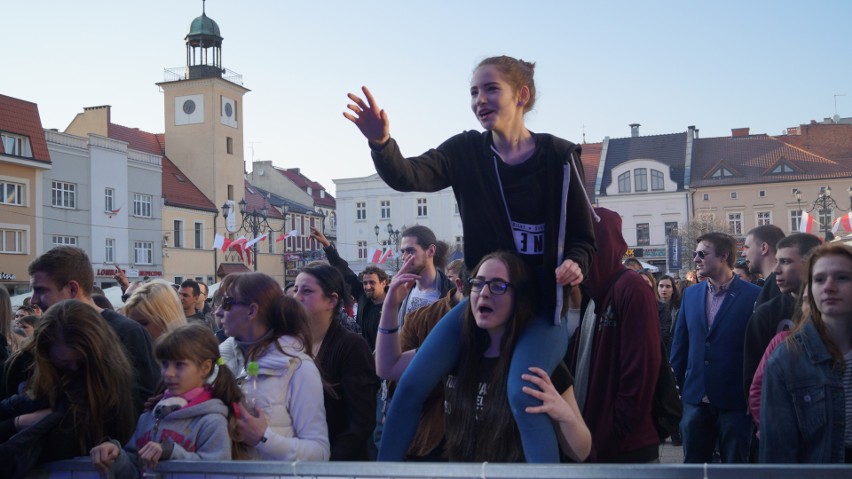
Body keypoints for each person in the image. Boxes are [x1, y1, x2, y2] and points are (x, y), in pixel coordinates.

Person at [345, 54, 595, 463]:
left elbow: (585, 237)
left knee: (522, 394)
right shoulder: (465, 151)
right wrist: (381, 143)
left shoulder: (559, 157)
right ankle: (386, 474)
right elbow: (409, 175)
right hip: (482, 303)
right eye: (474, 92)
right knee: (410, 387)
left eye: (491, 88)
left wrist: (576, 263)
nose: (479, 99)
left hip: (538, 311)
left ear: (523, 95)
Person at [0, 300, 136, 476]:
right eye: (63, 363)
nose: (72, 369)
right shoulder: (22, 365)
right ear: (44, 353)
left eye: (80, 362)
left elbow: (123, 436)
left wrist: (111, 446)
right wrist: (20, 422)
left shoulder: (111, 381)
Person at [568, 207, 661, 462]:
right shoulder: (595, 294)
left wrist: (616, 429)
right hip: (601, 443)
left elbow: (641, 367)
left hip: (625, 448)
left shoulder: (630, 288)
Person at [90, 323, 243, 475]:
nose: (168, 373)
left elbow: (217, 472)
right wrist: (115, 456)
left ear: (205, 368)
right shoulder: (148, 417)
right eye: (164, 364)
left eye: (179, 365)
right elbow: (134, 469)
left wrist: (173, 452)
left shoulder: (211, 421)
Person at [25, 246, 159, 415]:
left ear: (72, 289)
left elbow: (139, 404)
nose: (33, 300)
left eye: (41, 290)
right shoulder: (47, 332)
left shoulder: (127, 332)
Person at [217, 272, 330, 461]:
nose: (219, 311)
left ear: (251, 311)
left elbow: (319, 452)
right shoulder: (215, 360)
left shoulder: (297, 366)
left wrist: (264, 438)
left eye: (227, 303)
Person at [670, 232, 761, 463]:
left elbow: (758, 351)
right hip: (695, 399)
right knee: (693, 465)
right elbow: (680, 346)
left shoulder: (754, 296)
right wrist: (677, 392)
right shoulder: (690, 294)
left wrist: (754, 398)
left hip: (735, 401)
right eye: (694, 254)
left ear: (723, 256)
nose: (696, 259)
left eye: (702, 253)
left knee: (735, 466)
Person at [760, 243, 852, 463]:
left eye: (842, 278)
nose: (829, 287)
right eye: (819, 279)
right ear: (809, 289)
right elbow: (776, 454)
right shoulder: (786, 360)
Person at [294, 264, 377, 460]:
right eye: (296, 289)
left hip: (338, 464)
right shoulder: (289, 342)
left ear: (331, 300)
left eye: (306, 291)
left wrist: (328, 462)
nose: (296, 297)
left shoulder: (351, 346)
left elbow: (361, 422)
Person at [743, 233, 821, 401]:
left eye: (785, 262)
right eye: (777, 261)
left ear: (812, 263)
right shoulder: (766, 314)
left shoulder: (835, 311)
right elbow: (753, 377)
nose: (776, 269)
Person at [311, 226, 389, 351]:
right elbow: (344, 271)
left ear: (383, 283)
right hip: (367, 356)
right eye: (364, 283)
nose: (367, 287)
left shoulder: (395, 302)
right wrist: (327, 246)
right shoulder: (363, 296)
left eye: (372, 283)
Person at [121, 279, 188, 341]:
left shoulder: (190, 350)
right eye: (131, 323)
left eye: (144, 323)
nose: (134, 330)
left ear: (166, 319)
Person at [742, 225, 785, 309]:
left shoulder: (777, 288)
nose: (743, 254)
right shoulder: (773, 284)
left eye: (747, 248)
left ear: (763, 248)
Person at [657, 274, 681, 357]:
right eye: (661, 286)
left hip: (674, 349)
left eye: (668, 286)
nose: (664, 289)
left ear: (673, 289)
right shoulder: (652, 307)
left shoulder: (679, 308)